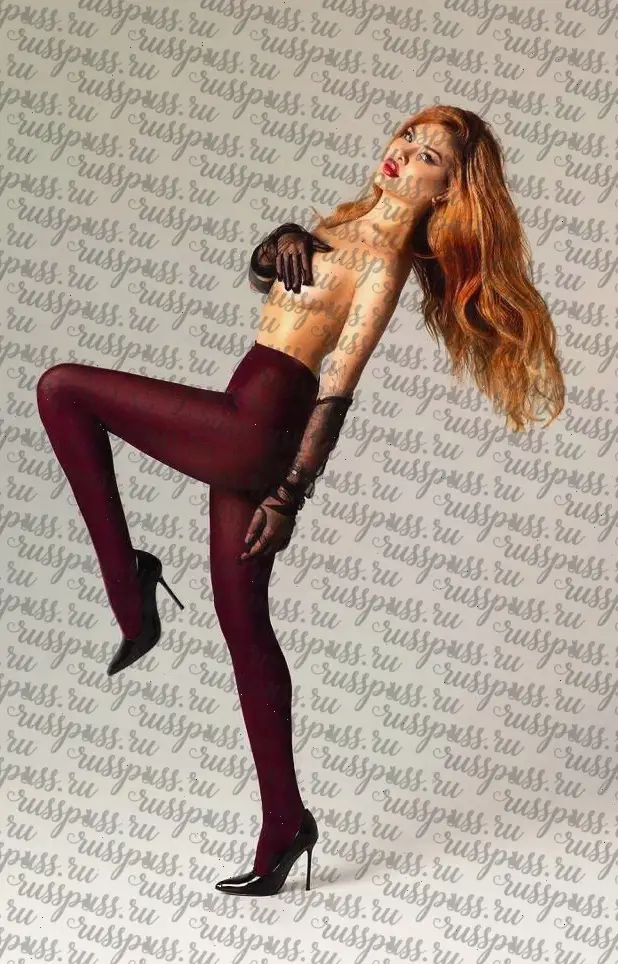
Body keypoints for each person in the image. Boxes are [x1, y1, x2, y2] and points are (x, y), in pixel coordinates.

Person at [35, 105, 565, 898]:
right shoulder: (340, 226)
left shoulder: (384, 263)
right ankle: (286, 823)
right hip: (244, 407)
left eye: (428, 156)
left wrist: (289, 496)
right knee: (243, 624)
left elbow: (337, 387)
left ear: (448, 189)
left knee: (63, 389)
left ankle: (129, 586)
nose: (402, 154)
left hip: (259, 426)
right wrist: (276, 242)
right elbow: (277, 288)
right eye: (406, 137)